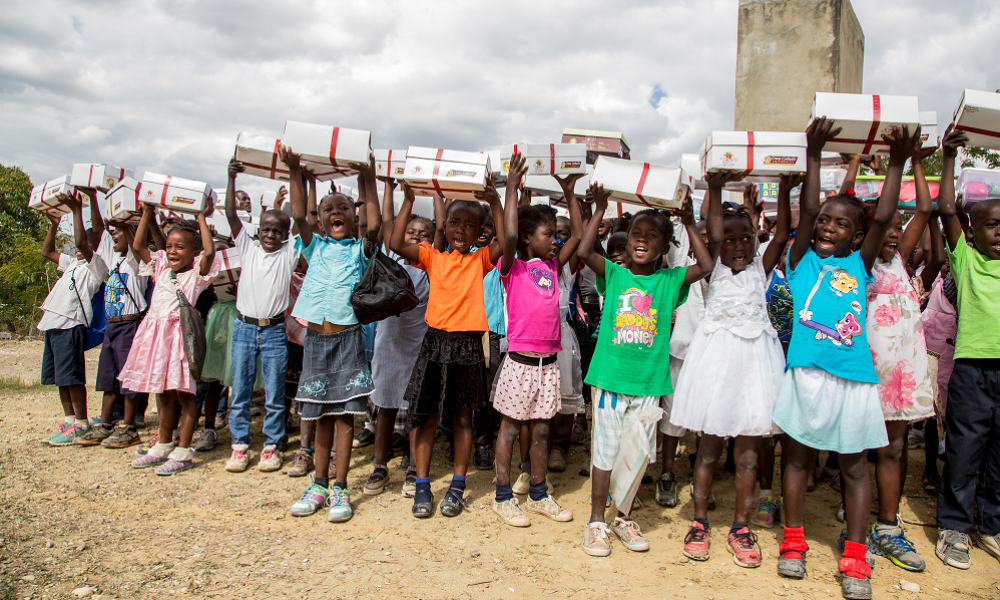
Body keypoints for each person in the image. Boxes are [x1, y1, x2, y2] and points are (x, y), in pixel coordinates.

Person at [771, 118, 920, 600]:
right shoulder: (801, 260)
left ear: (857, 238)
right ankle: (793, 542)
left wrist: (896, 161)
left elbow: (882, 216)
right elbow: (810, 206)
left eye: (841, 224)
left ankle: (855, 555)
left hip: (853, 378)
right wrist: (812, 154)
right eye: (823, 222)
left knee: (855, 466)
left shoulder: (858, 262)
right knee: (796, 460)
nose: (828, 227)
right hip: (806, 374)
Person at [577, 183, 714, 557]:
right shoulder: (616, 274)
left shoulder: (670, 282)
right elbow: (584, 250)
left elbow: (705, 266)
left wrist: (688, 223)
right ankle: (596, 522)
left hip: (649, 383)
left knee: (635, 455)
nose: (641, 240)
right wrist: (600, 208)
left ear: (665, 245)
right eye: (636, 233)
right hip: (609, 379)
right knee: (604, 453)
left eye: (652, 236)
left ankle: (622, 517)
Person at [669, 170, 794, 568]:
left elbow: (786, 229)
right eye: (731, 239)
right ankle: (700, 521)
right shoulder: (713, 270)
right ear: (716, 243)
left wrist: (787, 191)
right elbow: (715, 230)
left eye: (748, 238)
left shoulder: (763, 268)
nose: (739, 245)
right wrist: (717, 185)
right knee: (707, 452)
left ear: (758, 240)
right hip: (715, 370)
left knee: (748, 458)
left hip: (757, 373)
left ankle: (741, 526)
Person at [390, 176, 505, 519]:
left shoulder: (480, 260)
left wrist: (495, 201)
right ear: (444, 224)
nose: (460, 230)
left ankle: (457, 485)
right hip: (434, 344)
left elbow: (507, 239)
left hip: (468, 347)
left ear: (480, 232)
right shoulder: (432, 257)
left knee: (463, 419)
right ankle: (422, 485)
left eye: (470, 226)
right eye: (454, 222)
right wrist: (408, 200)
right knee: (424, 416)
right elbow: (396, 243)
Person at [280, 145, 380, 523]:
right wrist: (294, 169)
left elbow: (374, 224)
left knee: (344, 417)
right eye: (328, 210)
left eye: (343, 208)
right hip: (317, 342)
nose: (335, 213)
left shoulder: (360, 249)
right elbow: (296, 212)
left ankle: (340, 487)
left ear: (353, 215)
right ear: (320, 219)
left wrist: (366, 177)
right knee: (319, 413)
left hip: (349, 339)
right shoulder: (314, 244)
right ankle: (318, 483)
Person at [853, 142, 939, 572]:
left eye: (896, 229)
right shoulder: (860, 264)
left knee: (895, 446)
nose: (892, 234)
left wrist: (920, 162)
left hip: (901, 376)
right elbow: (884, 216)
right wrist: (894, 163)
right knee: (855, 452)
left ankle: (887, 526)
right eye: (884, 228)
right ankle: (854, 523)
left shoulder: (901, 261)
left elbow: (923, 209)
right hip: (864, 372)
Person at [491, 153, 581, 527]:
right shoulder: (513, 266)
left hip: (548, 366)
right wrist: (511, 188)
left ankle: (540, 492)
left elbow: (578, 235)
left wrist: (570, 194)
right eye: (549, 235)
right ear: (529, 238)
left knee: (542, 429)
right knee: (510, 429)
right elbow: (509, 234)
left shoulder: (552, 267)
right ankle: (502, 496)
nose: (556, 241)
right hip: (519, 364)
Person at [934, 125, 1000, 570]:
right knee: (964, 449)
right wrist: (950, 158)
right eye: (993, 225)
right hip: (974, 371)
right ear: (972, 231)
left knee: (999, 454)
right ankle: (954, 526)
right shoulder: (968, 259)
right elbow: (944, 210)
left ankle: (992, 524)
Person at [122, 200, 221, 475]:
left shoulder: (196, 276)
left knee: (185, 394)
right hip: (156, 340)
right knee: (163, 393)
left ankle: (183, 450)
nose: (173, 251)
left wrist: (201, 217)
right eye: (169, 246)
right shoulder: (161, 268)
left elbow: (210, 252)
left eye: (180, 247)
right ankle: (164, 443)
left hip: (179, 340)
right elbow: (139, 247)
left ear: (194, 252)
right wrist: (147, 214)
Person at [222, 160, 299, 474]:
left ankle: (271, 445)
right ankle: (239, 445)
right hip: (243, 329)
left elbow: (299, 214)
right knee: (239, 391)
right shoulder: (248, 248)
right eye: (266, 229)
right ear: (256, 231)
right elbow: (229, 213)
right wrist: (232, 177)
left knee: (274, 391)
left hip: (275, 333)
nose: (270, 234)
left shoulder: (289, 253)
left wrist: (297, 177)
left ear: (286, 234)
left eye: (277, 231)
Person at [363, 178, 433, 496]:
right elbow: (388, 222)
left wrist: (438, 192)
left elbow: (442, 226)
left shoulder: (434, 268)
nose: (417, 237)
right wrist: (390, 189)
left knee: (414, 410)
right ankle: (380, 465)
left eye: (425, 235)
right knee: (386, 408)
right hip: (388, 346)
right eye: (411, 233)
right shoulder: (390, 263)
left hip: (417, 348)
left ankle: (410, 465)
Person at [73, 192, 148, 448]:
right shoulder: (111, 260)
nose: (113, 235)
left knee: (129, 377)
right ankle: (105, 424)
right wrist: (92, 198)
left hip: (130, 324)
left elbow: (134, 245)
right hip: (113, 326)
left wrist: (125, 223)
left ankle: (128, 426)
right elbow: (96, 229)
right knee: (109, 378)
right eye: (113, 232)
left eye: (120, 232)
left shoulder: (137, 261)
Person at [38, 195, 108, 445]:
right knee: (60, 377)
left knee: (72, 376)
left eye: (87, 243)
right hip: (53, 322)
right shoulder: (71, 264)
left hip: (72, 323)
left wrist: (78, 210)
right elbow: (47, 251)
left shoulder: (97, 266)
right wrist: (55, 224)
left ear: (95, 247)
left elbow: (81, 239)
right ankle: (69, 421)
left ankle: (81, 423)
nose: (80, 246)